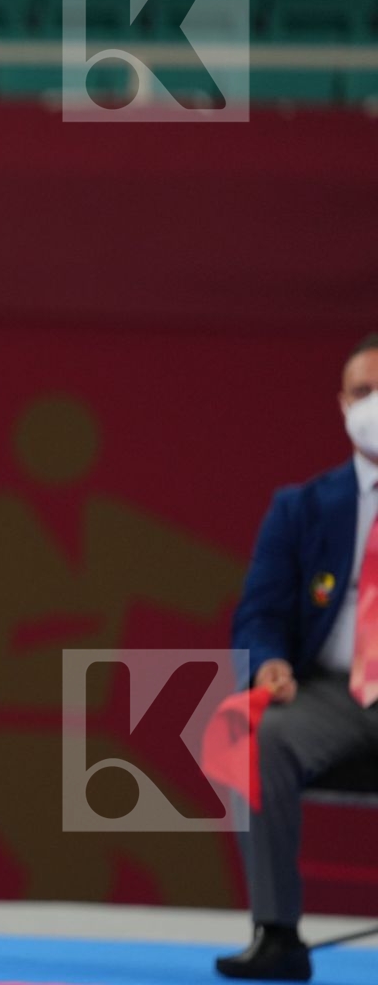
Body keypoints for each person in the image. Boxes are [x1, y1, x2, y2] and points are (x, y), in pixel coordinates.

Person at [217, 333, 378, 982]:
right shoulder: (303, 507)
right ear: (341, 404)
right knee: (247, 730)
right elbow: (259, 612)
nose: (375, 406)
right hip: (333, 696)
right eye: (365, 393)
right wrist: (269, 664)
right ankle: (277, 932)